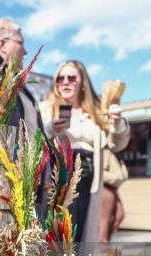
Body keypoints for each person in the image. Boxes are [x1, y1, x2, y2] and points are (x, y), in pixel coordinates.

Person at [39, 60, 130, 242]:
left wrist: (118, 122)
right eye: (60, 78)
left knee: (83, 238)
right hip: (59, 179)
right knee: (58, 239)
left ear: (82, 83)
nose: (65, 82)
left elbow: (117, 144)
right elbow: (32, 141)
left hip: (90, 182)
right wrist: (50, 130)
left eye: (71, 78)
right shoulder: (46, 109)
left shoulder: (96, 111)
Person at [99, 148, 128, 243]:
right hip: (105, 187)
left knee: (120, 216)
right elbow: (98, 171)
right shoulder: (104, 150)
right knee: (104, 220)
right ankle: (105, 247)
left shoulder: (114, 151)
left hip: (113, 188)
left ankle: (105, 244)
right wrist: (115, 178)